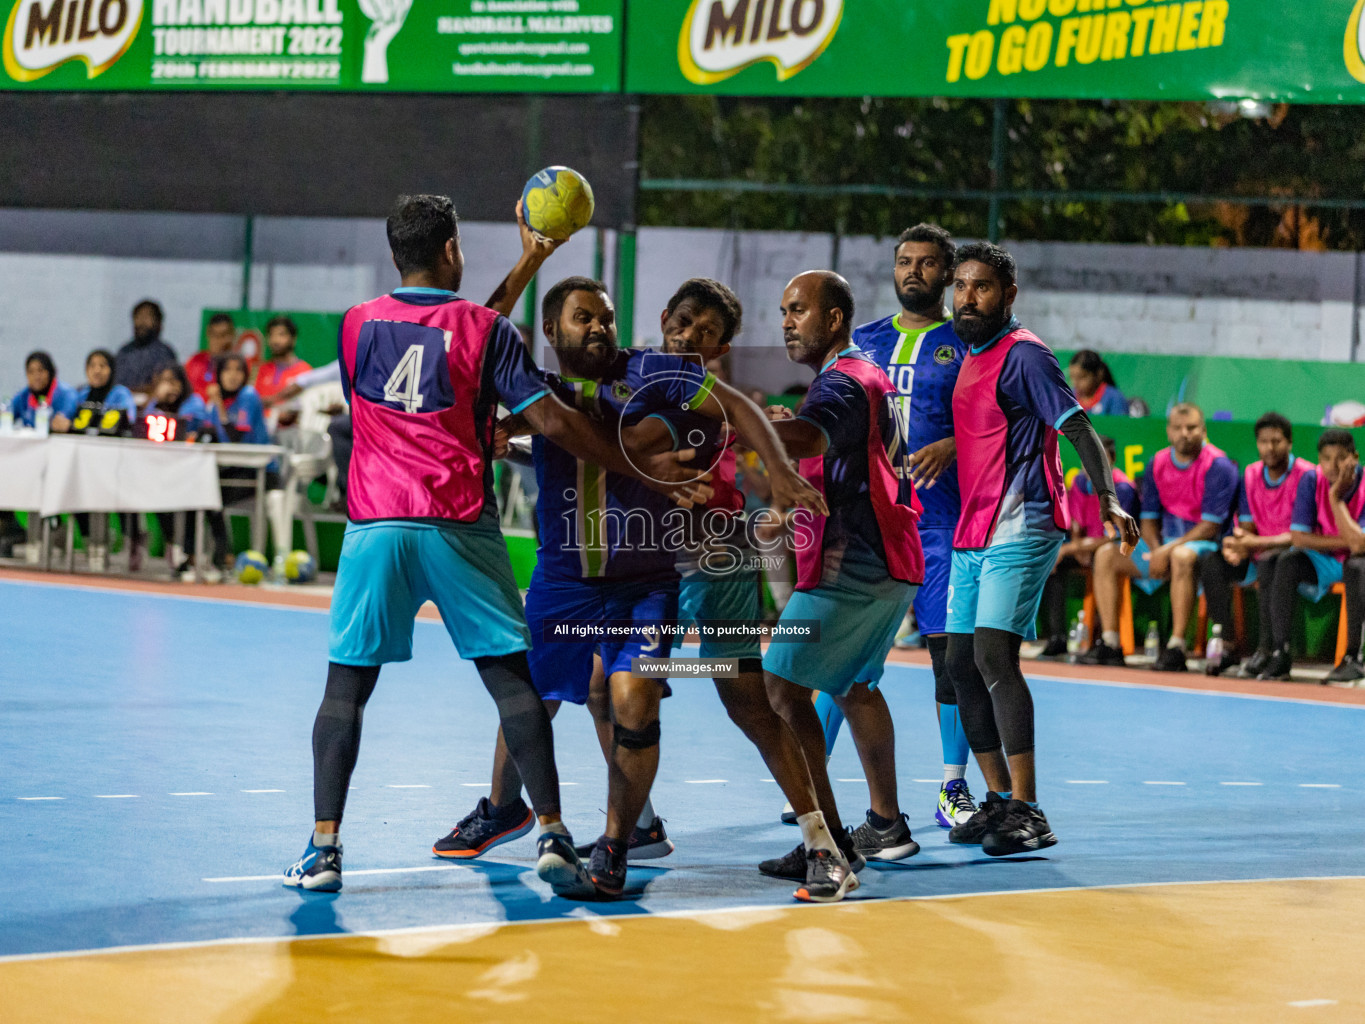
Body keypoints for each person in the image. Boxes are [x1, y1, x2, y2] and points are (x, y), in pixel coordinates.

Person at [282, 194, 706, 899]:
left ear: (396, 255)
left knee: (345, 689)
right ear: (452, 249)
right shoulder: (487, 331)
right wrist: (637, 466)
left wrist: (530, 261)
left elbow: (442, 331)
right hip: (457, 521)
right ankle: (550, 832)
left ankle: (323, 849)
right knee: (515, 682)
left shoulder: (356, 326)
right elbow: (525, 392)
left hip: (376, 526)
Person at [442, 276, 832, 901]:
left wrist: (781, 470)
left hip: (669, 572)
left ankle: (624, 844)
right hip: (564, 579)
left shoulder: (657, 375)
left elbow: (734, 412)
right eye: (582, 317)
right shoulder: (537, 387)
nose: (598, 326)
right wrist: (515, 441)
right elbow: (470, 341)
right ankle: (517, 810)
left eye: (605, 316)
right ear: (551, 331)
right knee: (538, 696)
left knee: (647, 697)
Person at [943, 242, 1138, 856]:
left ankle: (1029, 810)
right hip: (973, 527)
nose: (967, 297)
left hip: (1023, 521)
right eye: (961, 285)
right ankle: (999, 798)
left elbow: (1078, 427)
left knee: (995, 658)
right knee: (957, 664)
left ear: (1009, 294)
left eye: (981, 287)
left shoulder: (1025, 356)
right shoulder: (971, 354)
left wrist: (1106, 497)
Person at [757, 270, 924, 901]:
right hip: (887, 563)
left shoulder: (847, 381)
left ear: (834, 320)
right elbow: (820, 444)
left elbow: (808, 434)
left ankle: (827, 846)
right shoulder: (859, 378)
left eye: (798, 310)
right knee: (855, 688)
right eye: (782, 310)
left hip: (855, 568)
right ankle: (885, 822)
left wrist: (744, 422)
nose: (786, 321)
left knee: (778, 686)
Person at [840, 222, 978, 833]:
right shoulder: (861, 342)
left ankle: (954, 785)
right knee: (837, 661)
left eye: (926, 263)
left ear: (947, 274)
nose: (912, 271)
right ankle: (810, 783)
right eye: (903, 261)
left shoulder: (969, 345)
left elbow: (998, 425)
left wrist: (953, 442)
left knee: (951, 662)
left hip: (944, 527)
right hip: (871, 527)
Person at [1082, 403, 1238, 671]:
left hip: (1204, 547)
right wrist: (1154, 550)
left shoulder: (1218, 465)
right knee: (1106, 555)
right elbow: (1149, 520)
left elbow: (1210, 526)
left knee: (1180, 555)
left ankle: (1176, 647)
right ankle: (1110, 643)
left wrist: (1164, 552)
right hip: (1163, 546)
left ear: (1204, 430)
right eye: (1178, 428)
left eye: (1191, 428)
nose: (1184, 434)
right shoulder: (1158, 462)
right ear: (1168, 431)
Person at [1196, 412, 1309, 677]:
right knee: (1212, 561)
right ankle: (1227, 647)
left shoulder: (1306, 475)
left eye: (1277, 441)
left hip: (1295, 553)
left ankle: (1269, 650)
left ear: (1290, 442)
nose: (1270, 448)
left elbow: (1300, 534)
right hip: (1259, 550)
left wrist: (1253, 543)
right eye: (1263, 441)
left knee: (1273, 560)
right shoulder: (1250, 473)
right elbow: (1246, 528)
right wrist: (1236, 545)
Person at [1250, 430, 1365, 681]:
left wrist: (1335, 498)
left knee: (1358, 566)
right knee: (1282, 562)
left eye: (1341, 458)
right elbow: (1300, 538)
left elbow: (1359, 548)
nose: (1333, 466)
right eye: (1326, 458)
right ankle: (1279, 652)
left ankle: (1354, 658)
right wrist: (1349, 541)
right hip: (1325, 559)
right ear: (1319, 460)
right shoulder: (1311, 480)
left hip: (1358, 562)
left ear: (1355, 457)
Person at [1037, 435, 1138, 657]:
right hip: (1086, 547)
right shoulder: (1080, 483)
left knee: (1092, 556)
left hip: (1116, 551)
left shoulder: (1122, 488)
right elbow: (1075, 523)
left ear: (1110, 459)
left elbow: (1113, 536)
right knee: (1052, 562)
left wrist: (1071, 548)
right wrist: (1076, 547)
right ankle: (1057, 636)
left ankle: (1105, 640)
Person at [145, 364, 214, 573]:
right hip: (162, 472)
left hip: (191, 473)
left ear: (183, 383)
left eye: (174, 380)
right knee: (154, 495)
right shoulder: (155, 404)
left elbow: (186, 427)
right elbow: (145, 426)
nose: (170, 386)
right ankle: (172, 543)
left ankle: (190, 552)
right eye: (165, 381)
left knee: (191, 502)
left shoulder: (193, 404)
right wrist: (159, 402)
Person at [114, 300, 179, 396]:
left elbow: (164, 386)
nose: (141, 322)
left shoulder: (165, 353)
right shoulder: (124, 352)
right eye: (138, 317)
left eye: (147, 317)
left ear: (158, 323)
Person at [9, 351, 79, 428]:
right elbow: (6, 413)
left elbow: (65, 417)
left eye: (40, 370)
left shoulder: (66, 394)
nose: (36, 377)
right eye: (31, 372)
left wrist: (62, 420)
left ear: (50, 372)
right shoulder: (23, 396)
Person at [253, 316, 313, 404]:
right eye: (271, 335)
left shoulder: (305, 371)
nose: (275, 340)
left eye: (281, 335)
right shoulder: (259, 370)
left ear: (293, 339)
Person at [186, 313, 236, 401]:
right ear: (208, 334)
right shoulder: (195, 361)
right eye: (215, 335)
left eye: (223, 335)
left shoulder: (240, 365)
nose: (219, 341)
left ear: (232, 335)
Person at [1068, 350, 1128, 417]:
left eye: (1082, 377)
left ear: (1099, 375)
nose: (1076, 383)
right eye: (1073, 377)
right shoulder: (1069, 398)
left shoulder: (1114, 398)